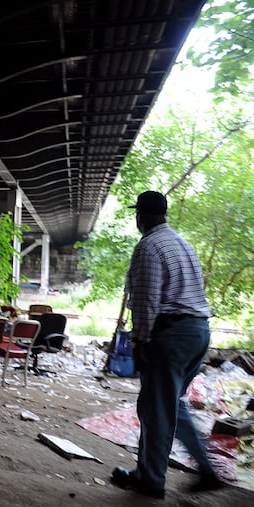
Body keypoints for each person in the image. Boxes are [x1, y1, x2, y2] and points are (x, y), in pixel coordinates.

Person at [111, 190, 222, 498]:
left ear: (141, 216)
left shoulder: (149, 246)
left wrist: (140, 341)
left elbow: (146, 300)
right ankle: (206, 469)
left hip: (171, 335)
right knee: (169, 404)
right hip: (198, 332)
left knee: (156, 409)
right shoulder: (182, 243)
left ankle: (150, 480)